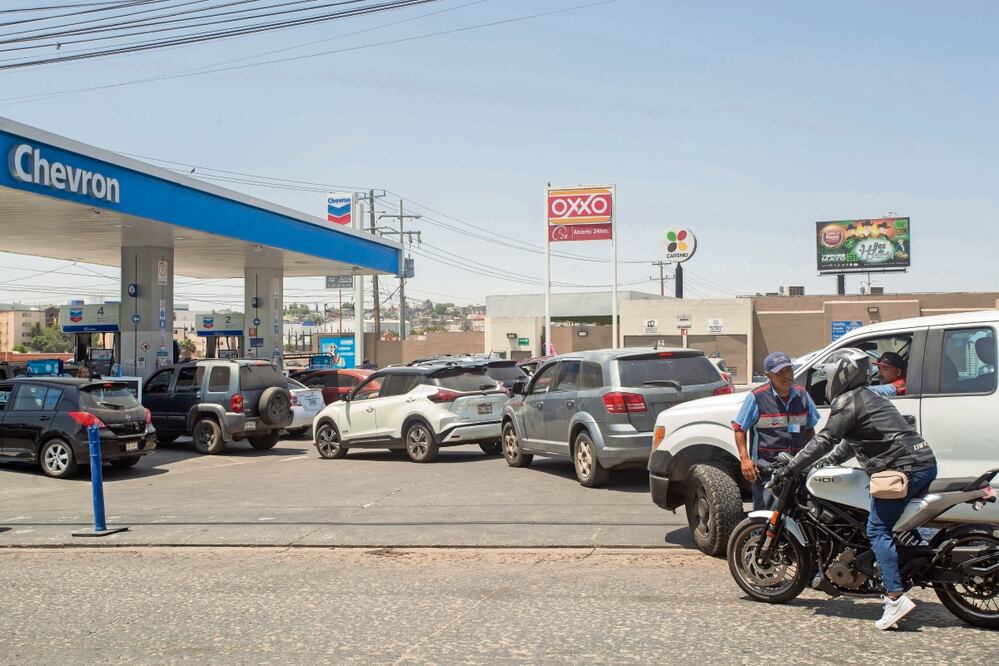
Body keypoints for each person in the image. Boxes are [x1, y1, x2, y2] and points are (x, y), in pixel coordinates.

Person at [775, 347, 937, 631]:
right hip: (919, 462)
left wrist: (792, 467)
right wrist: (827, 462)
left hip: (902, 468)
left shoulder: (849, 400)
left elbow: (825, 438)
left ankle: (895, 598)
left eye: (829, 376)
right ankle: (905, 563)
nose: (827, 383)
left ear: (842, 375)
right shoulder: (868, 397)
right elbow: (851, 442)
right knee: (883, 521)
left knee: (877, 529)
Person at [732, 351, 820, 510]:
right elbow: (739, 430)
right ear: (768, 375)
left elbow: (809, 430)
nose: (787, 376)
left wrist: (810, 458)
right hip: (768, 473)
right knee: (766, 522)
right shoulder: (756, 397)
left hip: (797, 471)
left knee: (797, 519)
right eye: (780, 373)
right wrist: (745, 460)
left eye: (789, 371)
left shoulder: (803, 395)